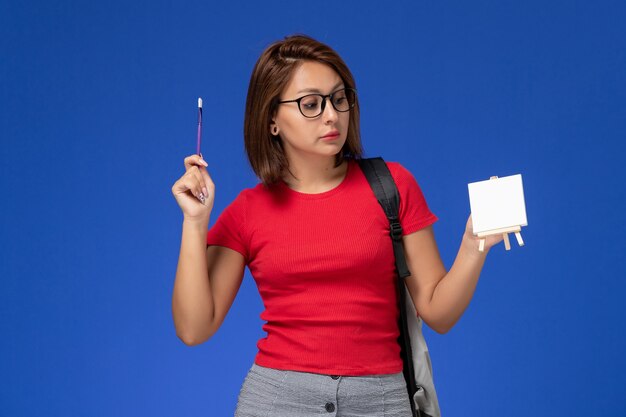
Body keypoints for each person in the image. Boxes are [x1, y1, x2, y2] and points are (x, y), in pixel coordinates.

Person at [171, 34, 503, 417]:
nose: (332, 115)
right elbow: (194, 328)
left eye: (339, 98)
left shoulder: (392, 186)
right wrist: (195, 222)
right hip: (278, 400)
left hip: (381, 401)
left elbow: (438, 313)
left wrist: (473, 243)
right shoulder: (249, 210)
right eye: (311, 104)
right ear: (272, 120)